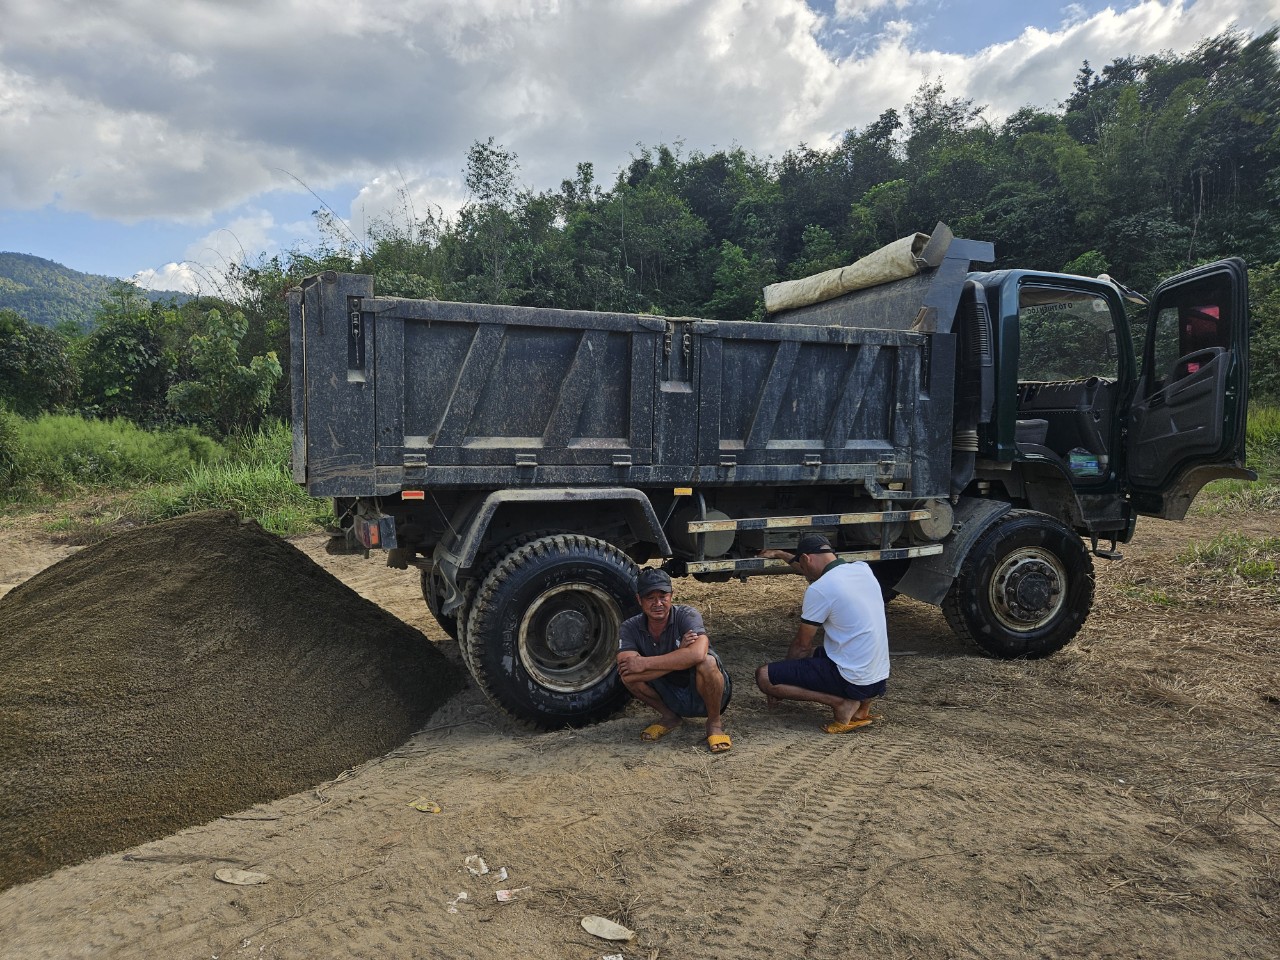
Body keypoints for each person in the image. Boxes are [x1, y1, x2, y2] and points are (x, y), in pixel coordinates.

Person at [755, 534, 889, 734]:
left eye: (804, 566)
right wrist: (782, 555)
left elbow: (802, 646)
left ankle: (841, 703)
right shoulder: (863, 570)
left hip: (853, 681)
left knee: (765, 676)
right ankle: (863, 707)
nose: (806, 576)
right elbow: (816, 569)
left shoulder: (820, 589)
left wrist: (781, 677)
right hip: (877, 680)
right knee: (824, 652)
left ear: (807, 558)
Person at [617, 568, 733, 753]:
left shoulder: (687, 615)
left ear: (672, 595)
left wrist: (645, 663)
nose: (658, 603)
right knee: (628, 677)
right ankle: (670, 716)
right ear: (639, 599)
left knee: (708, 663)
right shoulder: (629, 627)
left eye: (663, 596)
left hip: (703, 688)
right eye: (650, 598)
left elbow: (697, 655)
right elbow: (627, 669)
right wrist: (680, 654)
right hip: (669, 690)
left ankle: (714, 723)